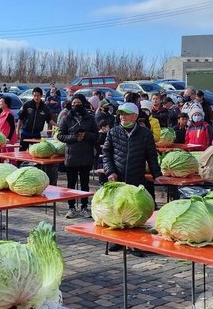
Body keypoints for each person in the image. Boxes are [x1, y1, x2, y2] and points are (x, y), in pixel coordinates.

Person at [102, 103, 161, 254]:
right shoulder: (113, 132)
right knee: (117, 211)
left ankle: (136, 243)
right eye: (121, 114)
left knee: (135, 212)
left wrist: (157, 175)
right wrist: (110, 172)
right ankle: (117, 241)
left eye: (126, 114)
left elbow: (151, 156)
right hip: (117, 180)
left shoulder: (145, 133)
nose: (123, 117)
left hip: (137, 179)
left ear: (135, 116)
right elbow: (107, 154)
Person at [58, 94, 98, 219]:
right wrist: (74, 137)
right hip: (72, 156)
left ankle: (85, 206)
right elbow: (60, 136)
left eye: (79, 103)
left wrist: (85, 135)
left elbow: (96, 136)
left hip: (86, 155)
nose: (76, 105)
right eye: (74, 103)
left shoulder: (90, 118)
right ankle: (71, 207)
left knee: (85, 183)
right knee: (71, 183)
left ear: (83, 103)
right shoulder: (66, 118)